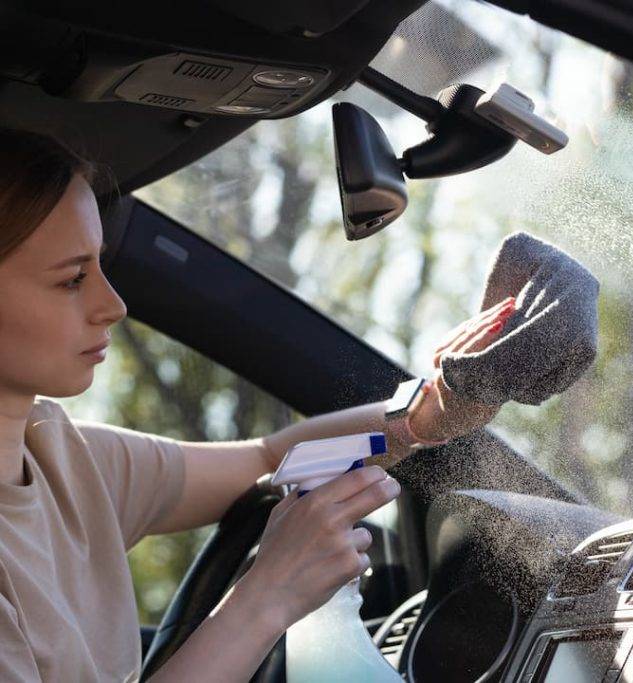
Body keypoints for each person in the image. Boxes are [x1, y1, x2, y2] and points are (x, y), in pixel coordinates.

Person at [0, 128, 518, 681]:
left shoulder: (61, 455)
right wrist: (268, 595)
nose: (114, 304)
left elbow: (269, 462)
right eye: (73, 278)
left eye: (102, 266)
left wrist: (426, 412)